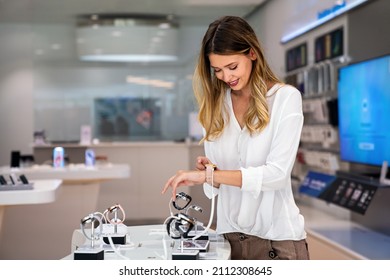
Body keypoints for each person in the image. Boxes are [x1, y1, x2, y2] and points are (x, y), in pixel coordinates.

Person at [162, 16, 309, 260]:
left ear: (252, 53)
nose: (226, 77)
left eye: (232, 67)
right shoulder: (216, 107)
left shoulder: (285, 98)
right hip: (228, 242)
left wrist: (209, 175)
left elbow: (277, 176)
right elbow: (215, 188)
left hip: (277, 242)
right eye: (217, 70)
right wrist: (212, 173)